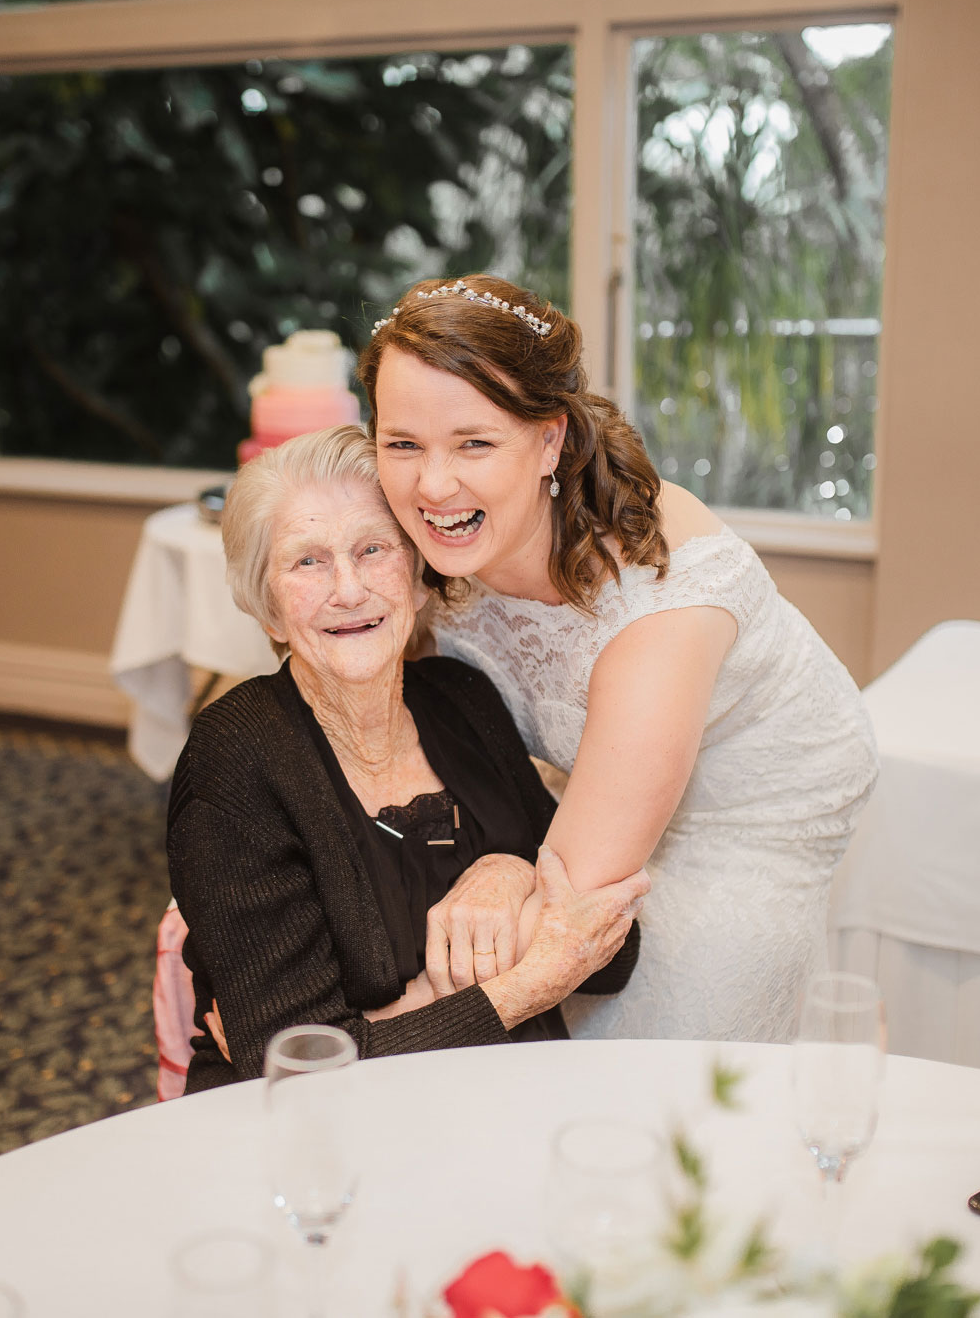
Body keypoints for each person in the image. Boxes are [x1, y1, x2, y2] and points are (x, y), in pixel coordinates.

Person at [358, 275, 877, 1042]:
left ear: (550, 439)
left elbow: (576, 907)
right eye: (402, 443)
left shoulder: (660, 604)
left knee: (641, 1084)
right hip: (565, 805)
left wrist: (343, 1035)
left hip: (739, 831)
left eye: (474, 442)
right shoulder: (428, 535)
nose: (433, 484)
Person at [167, 426, 649, 1091]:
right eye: (307, 561)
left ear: (419, 576)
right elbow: (302, 1071)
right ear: (269, 610)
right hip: (321, 1148)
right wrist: (532, 981)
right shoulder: (236, 757)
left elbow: (612, 947)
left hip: (502, 1111)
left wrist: (511, 872)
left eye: (373, 549)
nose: (348, 588)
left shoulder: (464, 702)